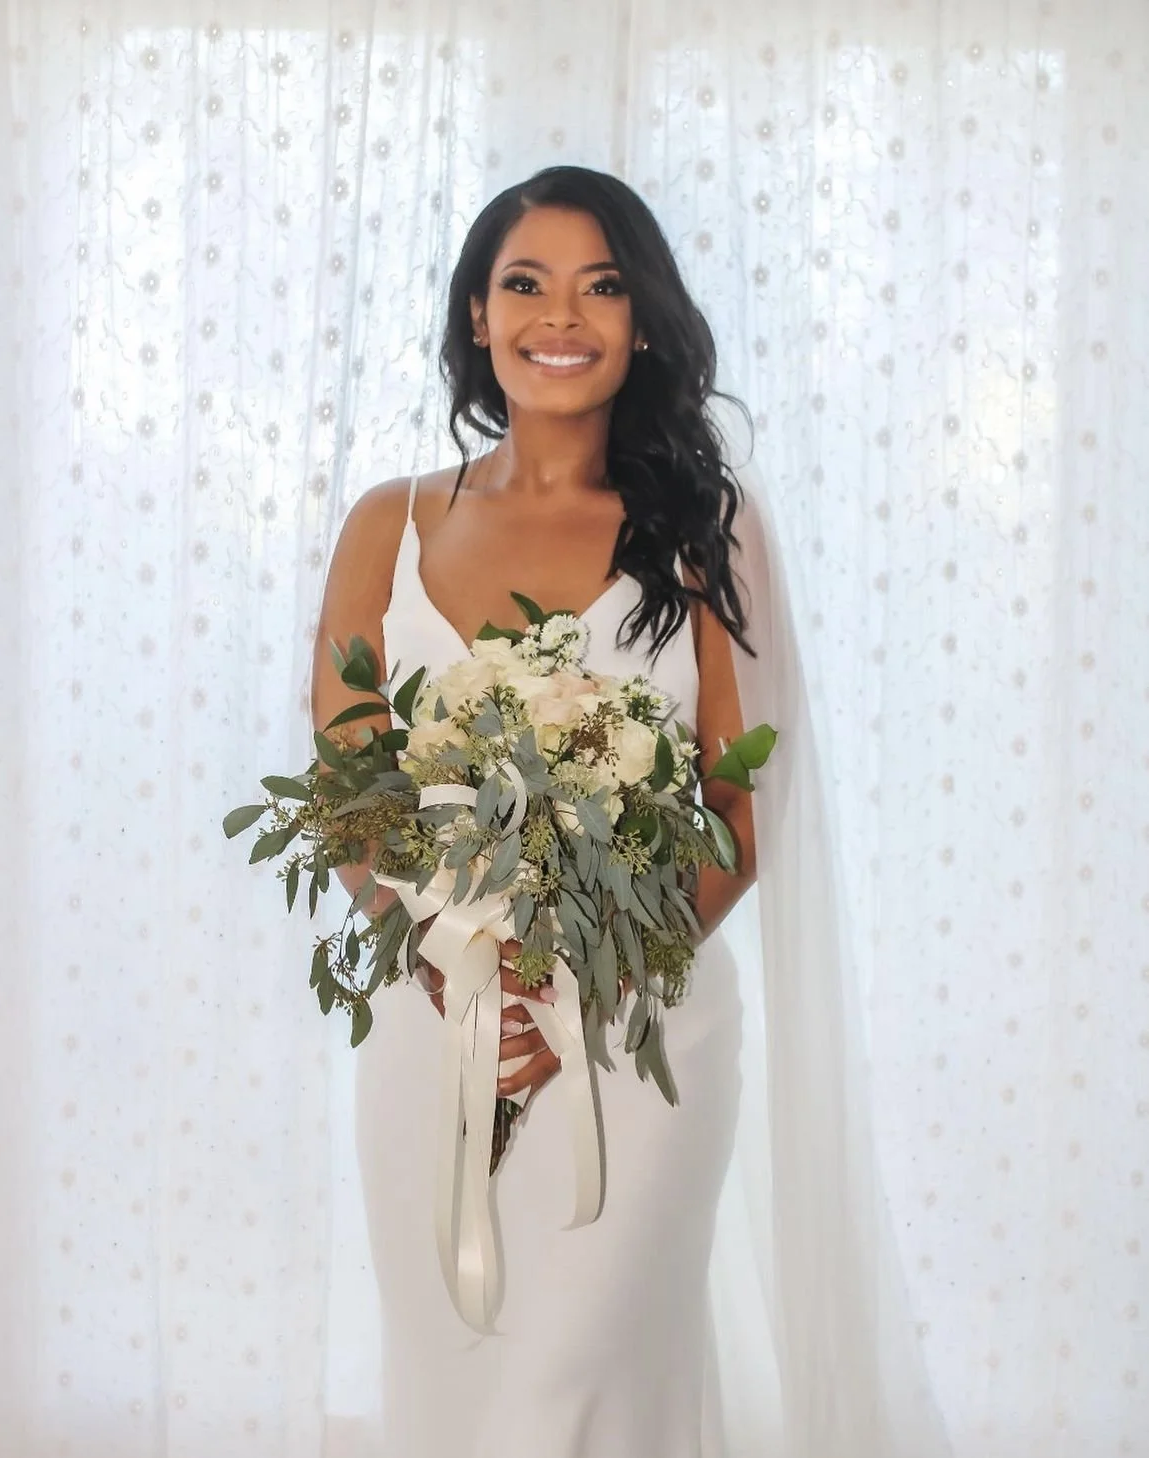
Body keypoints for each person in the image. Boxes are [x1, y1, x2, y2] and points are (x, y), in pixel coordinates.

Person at [310, 166, 950, 1458]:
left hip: (638, 1030)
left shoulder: (704, 531)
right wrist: (444, 963)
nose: (562, 313)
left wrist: (578, 991)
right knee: (451, 1374)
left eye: (601, 284)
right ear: (476, 319)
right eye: (524, 283)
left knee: (585, 1384)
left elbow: (735, 796)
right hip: (432, 1027)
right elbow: (345, 780)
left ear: (643, 320)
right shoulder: (388, 522)